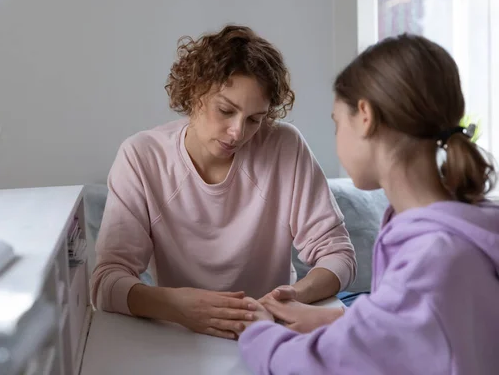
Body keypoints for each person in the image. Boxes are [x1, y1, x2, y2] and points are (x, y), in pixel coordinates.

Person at [238, 33, 499, 374]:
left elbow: (315, 367)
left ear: (365, 116)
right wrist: (334, 322)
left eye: (336, 123)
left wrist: (258, 331)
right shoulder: (471, 229)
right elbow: (417, 336)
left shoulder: (431, 260)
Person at [90, 24, 357, 340]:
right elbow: (107, 282)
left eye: (255, 120)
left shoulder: (285, 146)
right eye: (225, 110)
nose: (238, 132)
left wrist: (289, 298)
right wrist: (176, 306)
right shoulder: (141, 157)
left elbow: (338, 254)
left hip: (271, 331)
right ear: (194, 92)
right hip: (181, 337)